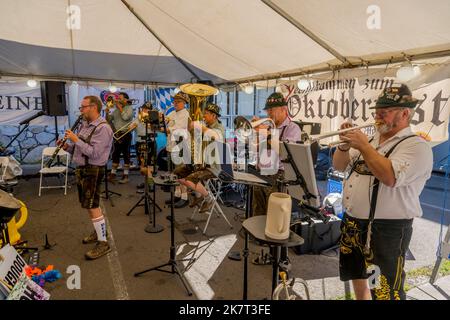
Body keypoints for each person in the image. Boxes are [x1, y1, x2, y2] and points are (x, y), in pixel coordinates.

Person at [332, 83, 433, 300]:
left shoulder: (416, 146)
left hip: (385, 232)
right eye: (376, 112)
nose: (377, 117)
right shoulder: (371, 141)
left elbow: (390, 177)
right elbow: (340, 166)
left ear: (404, 113)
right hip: (353, 224)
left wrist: (364, 147)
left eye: (384, 113)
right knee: (357, 273)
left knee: (383, 290)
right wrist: (343, 145)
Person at [250, 92, 301, 267]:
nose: (269, 114)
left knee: (278, 218)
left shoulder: (293, 128)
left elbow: (286, 153)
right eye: (268, 110)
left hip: (279, 176)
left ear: (283, 109)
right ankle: (265, 253)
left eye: (272, 110)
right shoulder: (267, 126)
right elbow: (256, 149)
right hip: (262, 172)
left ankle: (282, 258)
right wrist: (256, 135)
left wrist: (267, 135)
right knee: (260, 215)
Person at [60, 95, 113, 260]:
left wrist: (76, 139)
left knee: (92, 205)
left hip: (93, 170)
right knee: (88, 205)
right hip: (83, 168)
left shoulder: (103, 128)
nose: (81, 110)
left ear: (93, 107)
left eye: (83, 107)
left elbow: (95, 153)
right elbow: (80, 150)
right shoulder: (85, 125)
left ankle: (103, 242)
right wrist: (67, 147)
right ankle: (98, 233)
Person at [173, 103, 225, 213]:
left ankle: (208, 198)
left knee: (190, 180)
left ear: (214, 116)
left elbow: (216, 136)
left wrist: (201, 127)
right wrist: (191, 128)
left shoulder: (219, 128)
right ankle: (199, 195)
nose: (203, 116)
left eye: (206, 114)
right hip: (202, 163)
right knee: (177, 173)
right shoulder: (207, 127)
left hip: (214, 167)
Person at [166, 92, 191, 208]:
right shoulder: (171, 113)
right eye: (174, 101)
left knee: (181, 173)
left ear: (184, 103)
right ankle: (177, 194)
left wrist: (168, 128)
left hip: (181, 147)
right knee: (174, 173)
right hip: (172, 146)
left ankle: (185, 197)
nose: (175, 103)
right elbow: (166, 125)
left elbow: (179, 128)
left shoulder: (186, 114)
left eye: (178, 101)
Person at [106, 92, 134, 184]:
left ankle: (126, 176)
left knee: (126, 155)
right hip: (116, 134)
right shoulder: (116, 110)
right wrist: (107, 112)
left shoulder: (129, 108)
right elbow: (109, 120)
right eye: (118, 98)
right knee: (115, 154)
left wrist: (120, 108)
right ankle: (113, 174)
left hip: (125, 134)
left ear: (126, 99)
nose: (117, 100)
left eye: (120, 98)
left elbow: (126, 117)